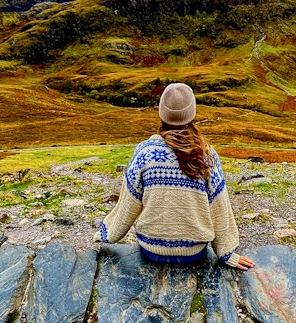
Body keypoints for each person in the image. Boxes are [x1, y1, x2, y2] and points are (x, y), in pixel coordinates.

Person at [93, 83, 255, 270]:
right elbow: (219, 205)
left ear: (162, 113)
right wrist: (227, 254)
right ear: (192, 114)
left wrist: (107, 234)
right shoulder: (206, 155)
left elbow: (128, 204)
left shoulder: (145, 152)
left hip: (151, 248)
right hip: (194, 252)